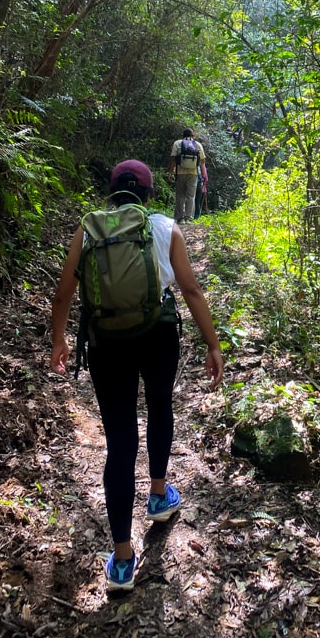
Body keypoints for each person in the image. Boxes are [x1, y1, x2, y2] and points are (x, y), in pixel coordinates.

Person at [50, 159, 224, 592]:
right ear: (148, 195)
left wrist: (59, 341)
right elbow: (190, 291)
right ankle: (159, 494)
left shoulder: (87, 230)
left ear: (111, 192)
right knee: (161, 405)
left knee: (121, 443)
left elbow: (64, 294)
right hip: (157, 335)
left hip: (107, 343)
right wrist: (213, 344)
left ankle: (123, 559)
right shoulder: (165, 227)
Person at [168, 128, 207, 223]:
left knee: (180, 195)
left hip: (180, 173)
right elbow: (202, 162)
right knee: (191, 196)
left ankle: (180, 218)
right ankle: (189, 218)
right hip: (193, 174)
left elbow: (173, 159)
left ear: (183, 135)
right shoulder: (198, 145)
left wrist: (170, 172)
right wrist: (203, 175)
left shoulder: (177, 143)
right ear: (192, 136)